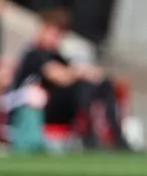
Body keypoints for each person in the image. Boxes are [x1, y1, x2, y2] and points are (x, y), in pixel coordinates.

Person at [4, 9, 132, 150]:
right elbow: (59, 77)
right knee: (83, 87)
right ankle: (87, 134)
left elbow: (72, 72)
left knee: (103, 84)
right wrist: (80, 72)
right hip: (30, 111)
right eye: (55, 33)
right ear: (44, 29)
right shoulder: (34, 54)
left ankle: (116, 135)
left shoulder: (57, 55)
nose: (57, 38)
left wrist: (89, 73)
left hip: (54, 107)